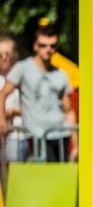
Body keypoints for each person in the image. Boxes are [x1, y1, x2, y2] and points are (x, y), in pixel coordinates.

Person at [0, 25, 76, 162]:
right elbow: (3, 94)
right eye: (43, 45)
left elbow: (69, 110)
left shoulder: (61, 75)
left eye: (52, 46)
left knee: (61, 181)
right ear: (35, 46)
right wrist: (2, 120)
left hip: (60, 136)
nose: (48, 49)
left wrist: (75, 144)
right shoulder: (22, 68)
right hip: (36, 138)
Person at [0, 36, 27, 166]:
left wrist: (15, 111)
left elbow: (33, 108)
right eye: (0, 54)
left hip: (16, 136)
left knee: (13, 179)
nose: (4, 58)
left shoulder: (21, 78)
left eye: (7, 54)